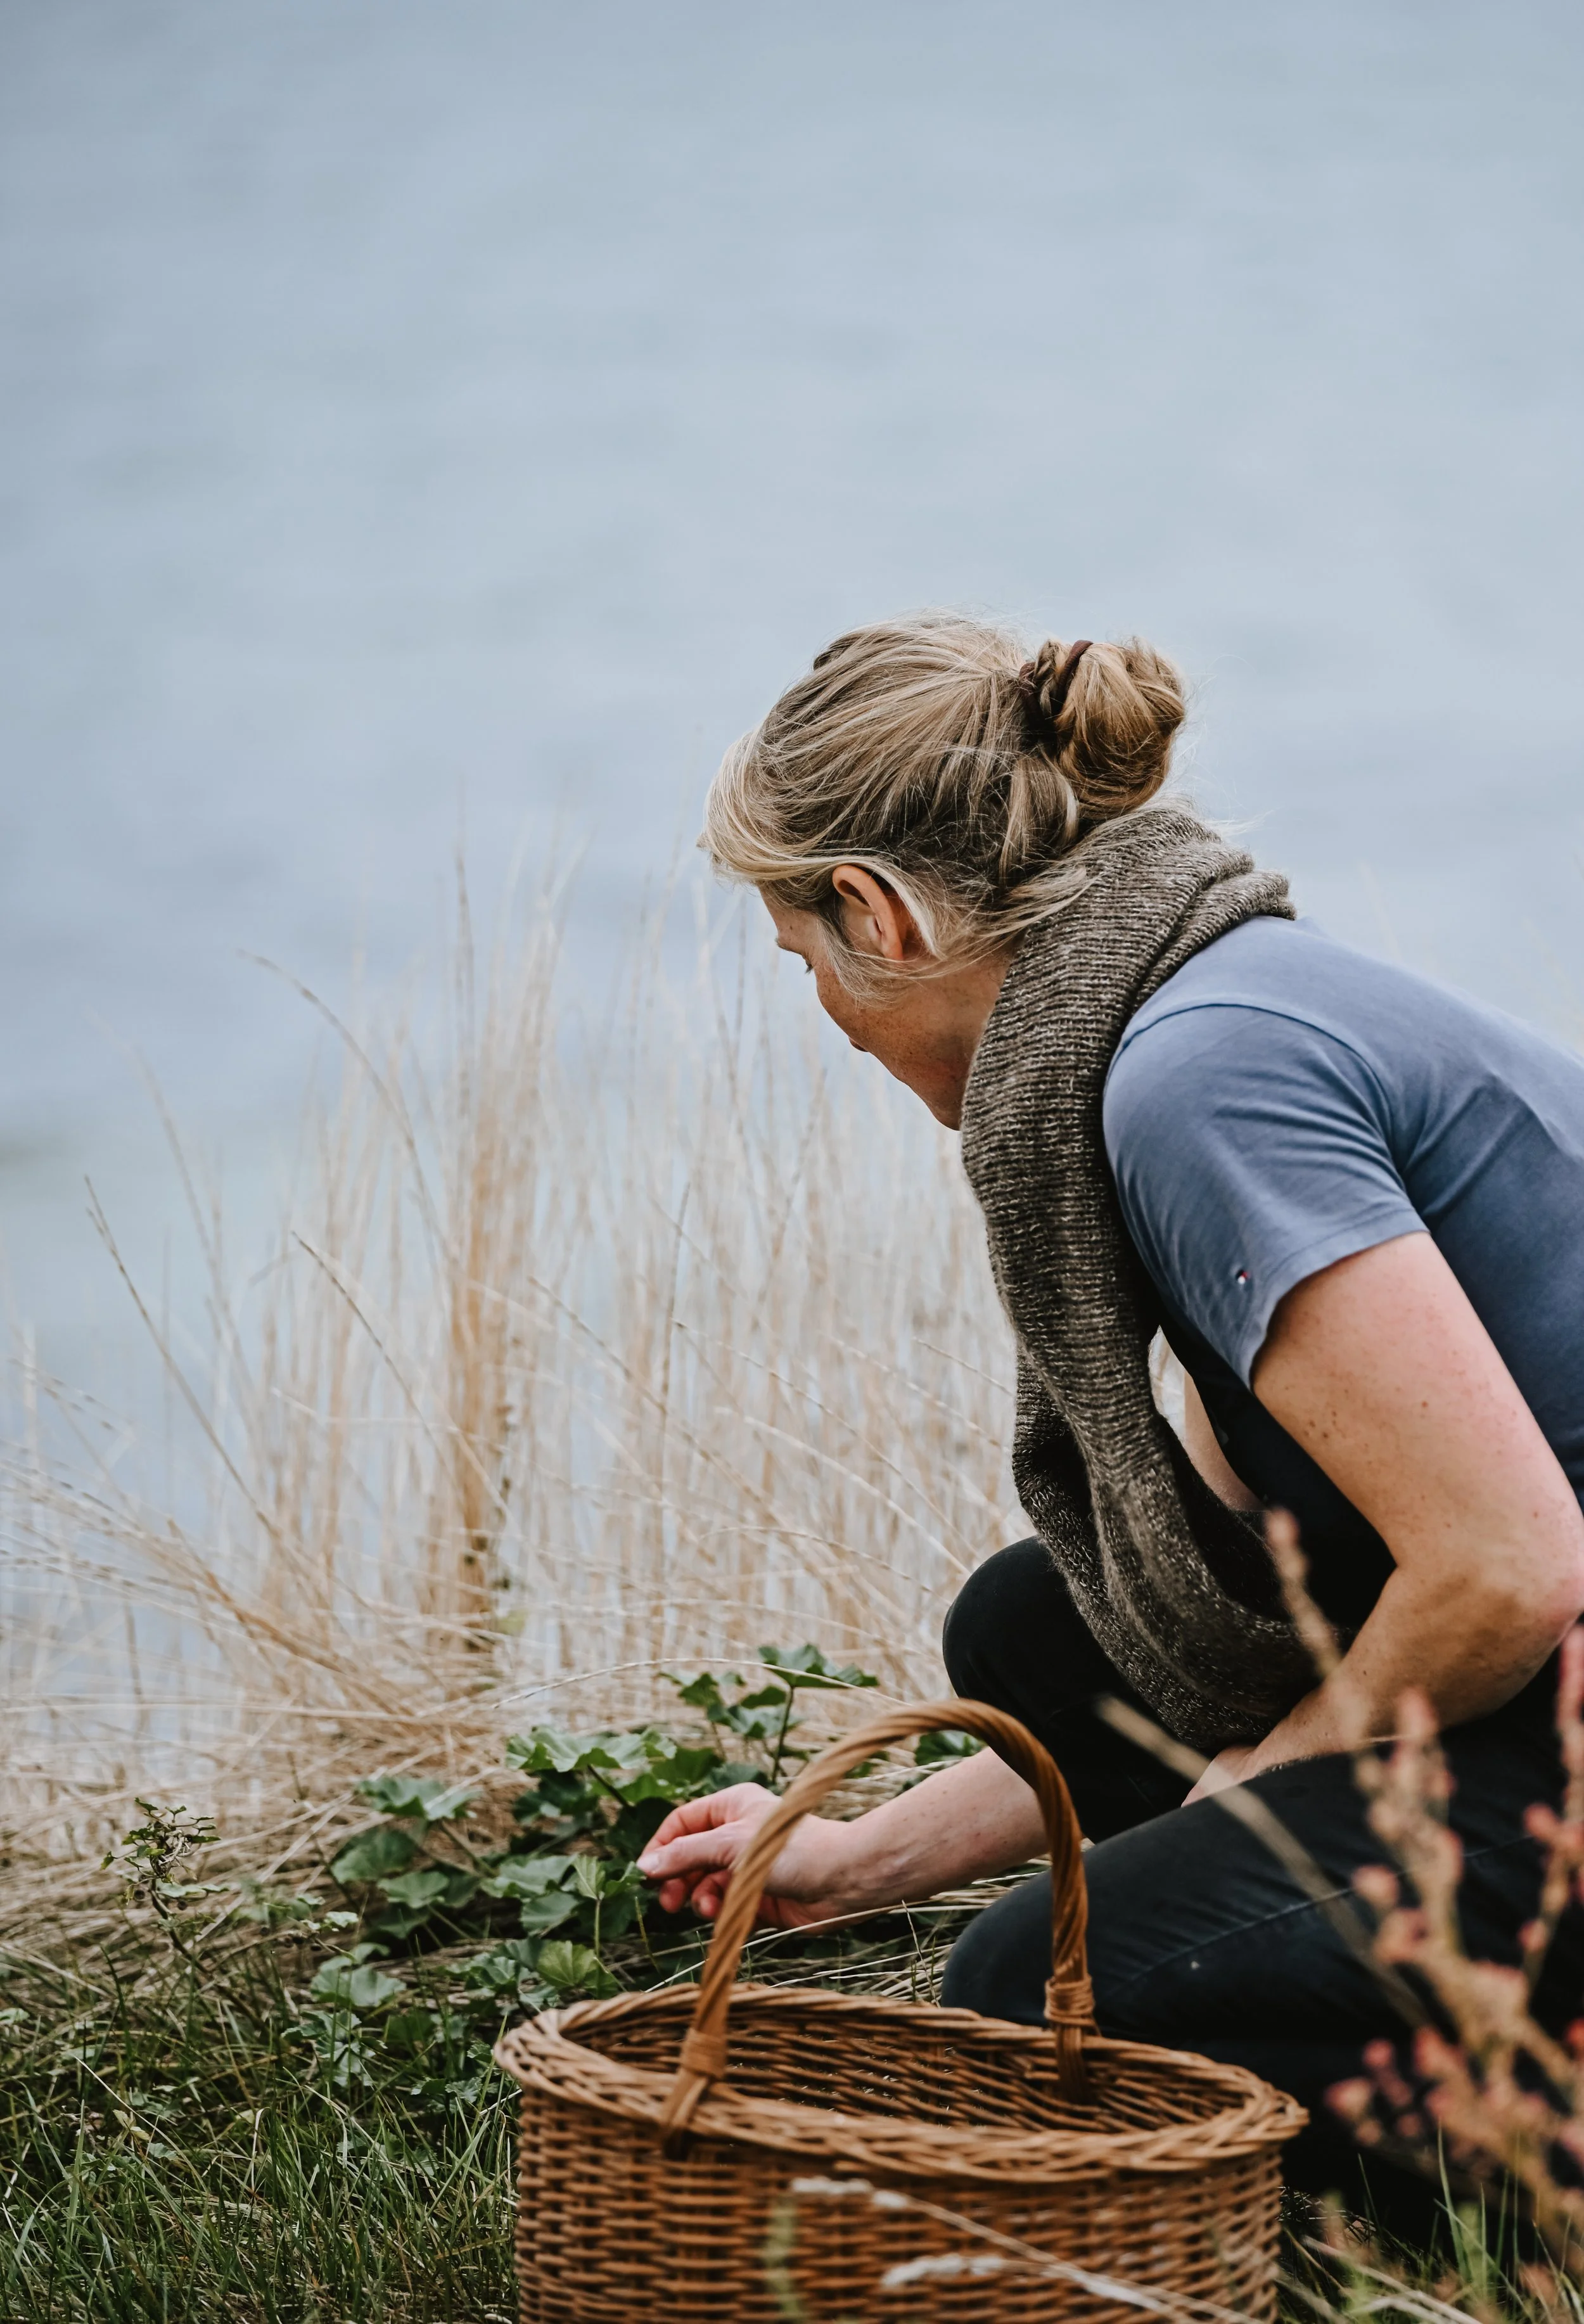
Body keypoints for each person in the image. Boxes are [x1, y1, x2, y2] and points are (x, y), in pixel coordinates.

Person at [637, 613, 1584, 2228]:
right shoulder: (1214, 994)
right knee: (1037, 1621)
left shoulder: (1193, 1078)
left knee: (1034, 1990)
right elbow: (1244, 1578)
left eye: (807, 965)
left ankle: (1530, 2181)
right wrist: (851, 1857)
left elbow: (1501, 1565)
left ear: (875, 911)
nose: (827, 1016)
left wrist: (1280, 1772)